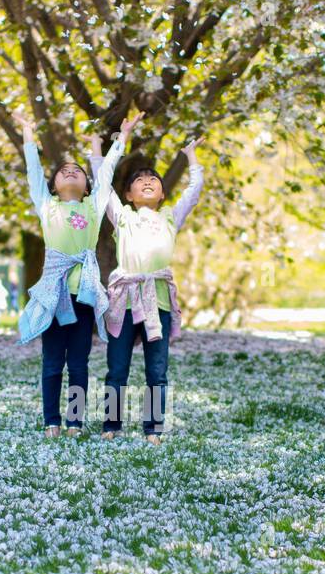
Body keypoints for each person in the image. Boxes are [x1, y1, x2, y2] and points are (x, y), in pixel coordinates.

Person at [14, 110, 142, 436]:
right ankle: (51, 421)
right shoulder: (48, 206)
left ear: (87, 186)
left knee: (79, 364)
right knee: (52, 361)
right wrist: (28, 132)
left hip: (84, 294)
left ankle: (74, 421)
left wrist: (121, 138)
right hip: (53, 294)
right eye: (63, 172)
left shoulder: (92, 206)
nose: (70, 173)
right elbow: (32, 172)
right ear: (54, 186)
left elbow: (108, 171)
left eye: (77, 171)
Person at [91, 135, 203, 444]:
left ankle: (153, 428)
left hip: (159, 302)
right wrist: (107, 146)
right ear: (128, 194)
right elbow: (102, 182)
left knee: (157, 370)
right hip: (124, 301)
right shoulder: (123, 217)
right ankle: (111, 426)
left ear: (163, 192)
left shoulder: (169, 218)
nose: (147, 181)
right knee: (117, 369)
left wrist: (191, 157)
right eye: (139, 180)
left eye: (153, 178)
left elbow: (193, 192)